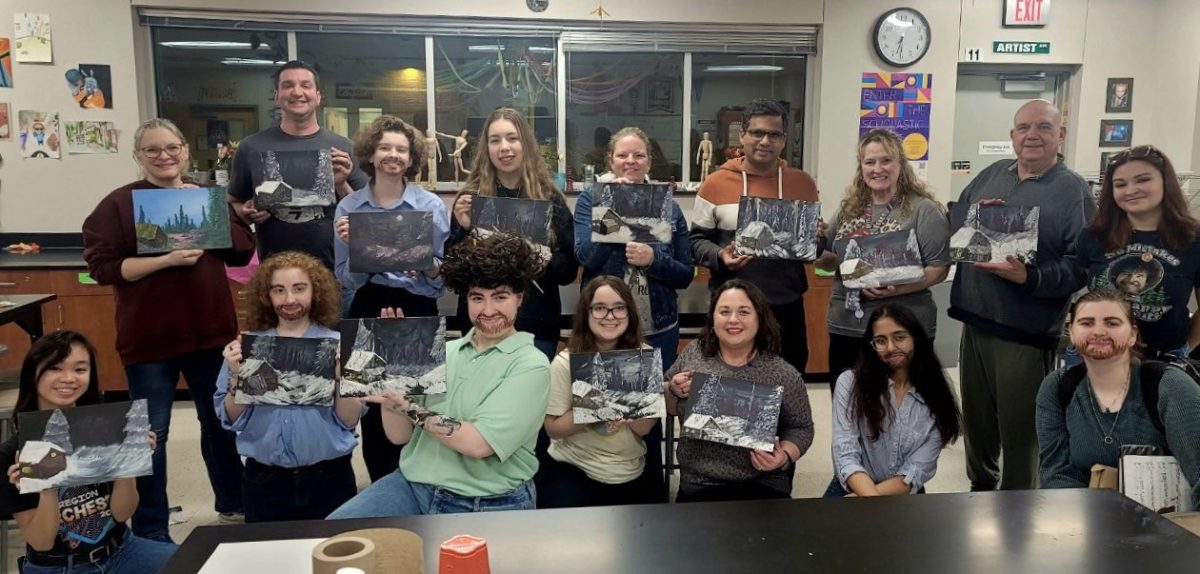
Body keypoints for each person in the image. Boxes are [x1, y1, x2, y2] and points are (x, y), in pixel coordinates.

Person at [83, 118, 253, 541]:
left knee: (219, 424)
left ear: (185, 151)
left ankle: (234, 503)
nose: (164, 156)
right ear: (138, 157)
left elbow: (242, 251)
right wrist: (164, 260)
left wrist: (218, 210)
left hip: (211, 333)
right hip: (150, 339)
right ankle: (152, 526)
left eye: (172, 148)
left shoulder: (203, 195)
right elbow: (102, 268)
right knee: (149, 435)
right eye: (153, 150)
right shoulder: (119, 205)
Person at [327, 232, 550, 518]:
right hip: (414, 485)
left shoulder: (531, 364)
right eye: (477, 298)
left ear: (519, 299)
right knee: (333, 533)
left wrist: (409, 408)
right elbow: (398, 436)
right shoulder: (444, 350)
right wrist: (392, 380)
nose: (488, 310)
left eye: (500, 297)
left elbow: (478, 444)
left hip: (488, 500)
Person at [949, 99, 1095, 491]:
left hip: (1024, 331)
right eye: (1023, 128)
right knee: (977, 426)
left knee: (1020, 434)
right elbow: (960, 229)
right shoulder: (990, 174)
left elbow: (1082, 265)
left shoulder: (1072, 191)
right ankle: (979, 492)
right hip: (975, 321)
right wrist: (973, 216)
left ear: (1060, 135)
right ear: (1012, 136)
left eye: (1044, 127)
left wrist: (1028, 277)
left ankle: (1016, 511)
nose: (1032, 135)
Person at [572, 127, 691, 501]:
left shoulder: (668, 206)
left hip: (657, 327)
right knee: (600, 408)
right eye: (623, 155)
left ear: (649, 161)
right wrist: (615, 224)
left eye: (638, 155)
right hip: (604, 327)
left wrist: (654, 258)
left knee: (646, 413)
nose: (630, 162)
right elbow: (584, 258)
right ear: (610, 160)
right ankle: (598, 484)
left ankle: (650, 494)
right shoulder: (590, 199)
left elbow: (685, 274)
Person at [0, 331, 176, 573]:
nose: (69, 378)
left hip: (122, 550)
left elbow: (121, 513)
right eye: (55, 368)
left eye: (80, 370)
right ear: (33, 373)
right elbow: (41, 542)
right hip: (59, 567)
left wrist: (128, 462)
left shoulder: (106, 426)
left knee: (203, 562)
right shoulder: (16, 452)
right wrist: (47, 488)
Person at [334, 116, 449, 483]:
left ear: (411, 156)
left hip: (417, 306)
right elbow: (345, 279)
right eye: (385, 147)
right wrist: (358, 247)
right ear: (371, 152)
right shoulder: (348, 208)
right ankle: (381, 489)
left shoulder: (430, 205)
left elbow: (441, 278)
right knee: (373, 406)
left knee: (417, 402)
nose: (393, 155)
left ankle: (422, 485)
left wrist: (422, 263)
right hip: (368, 303)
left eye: (401, 149)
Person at [213, 252, 364, 522]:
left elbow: (349, 419)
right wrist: (238, 376)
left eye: (299, 288)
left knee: (330, 558)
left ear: (315, 291)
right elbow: (231, 419)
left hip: (329, 477)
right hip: (265, 480)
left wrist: (341, 377)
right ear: (266, 295)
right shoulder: (246, 347)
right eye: (279, 290)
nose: (290, 299)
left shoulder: (339, 344)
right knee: (271, 560)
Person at [690, 99, 821, 375]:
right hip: (731, 307)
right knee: (728, 385)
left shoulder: (803, 184)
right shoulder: (715, 183)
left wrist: (816, 238)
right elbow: (694, 242)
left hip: (786, 306)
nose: (765, 141)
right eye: (757, 133)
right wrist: (719, 256)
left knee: (787, 381)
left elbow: (814, 249)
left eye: (774, 134)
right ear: (742, 136)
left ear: (784, 140)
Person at [1036, 290, 1200, 508]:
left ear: (1133, 335)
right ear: (1072, 333)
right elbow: (1057, 474)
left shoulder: (1169, 385)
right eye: (1086, 323)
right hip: (1091, 523)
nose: (1099, 331)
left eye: (1112, 323)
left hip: (1175, 523)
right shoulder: (1056, 388)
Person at [819, 128, 950, 389]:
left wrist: (896, 290)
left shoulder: (923, 210)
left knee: (902, 407)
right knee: (848, 408)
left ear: (900, 164)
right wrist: (812, 244)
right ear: (861, 168)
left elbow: (939, 269)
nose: (877, 168)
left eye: (886, 160)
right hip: (848, 326)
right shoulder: (849, 209)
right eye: (869, 162)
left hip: (903, 327)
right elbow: (829, 262)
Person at [665, 279, 814, 502]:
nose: (733, 320)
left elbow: (802, 428)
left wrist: (783, 457)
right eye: (724, 311)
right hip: (698, 482)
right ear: (713, 317)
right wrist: (673, 389)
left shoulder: (782, 372)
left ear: (760, 318)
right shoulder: (694, 353)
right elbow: (668, 406)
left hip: (761, 483)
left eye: (744, 312)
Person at [447, 107, 578, 360]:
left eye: (512, 138)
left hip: (536, 325)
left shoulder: (549, 198)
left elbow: (569, 270)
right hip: (481, 325)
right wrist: (462, 231)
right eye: (495, 140)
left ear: (526, 144)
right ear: (486, 148)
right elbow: (452, 272)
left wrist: (545, 259)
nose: (504, 147)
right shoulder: (472, 198)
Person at [227, 60, 369, 270]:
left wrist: (341, 184)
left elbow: (368, 214)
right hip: (275, 276)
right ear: (276, 96)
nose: (297, 92)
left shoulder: (344, 147)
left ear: (318, 96)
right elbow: (234, 203)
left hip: (335, 273)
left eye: (305, 85)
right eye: (287, 85)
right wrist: (245, 211)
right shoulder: (251, 147)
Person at [539, 276, 662, 508]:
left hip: (629, 469)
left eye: (618, 308)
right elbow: (553, 430)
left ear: (629, 312)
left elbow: (644, 428)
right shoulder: (565, 362)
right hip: (575, 468)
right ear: (587, 313)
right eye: (599, 309)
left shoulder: (644, 355)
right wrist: (596, 406)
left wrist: (626, 412)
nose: (610, 316)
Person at [1072, 145, 1200, 361]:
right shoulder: (1094, 235)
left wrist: (1184, 351)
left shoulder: (1193, 239)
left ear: (1165, 181)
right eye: (1120, 184)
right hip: (1097, 356)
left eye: (1142, 180)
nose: (1130, 190)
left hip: (1164, 358)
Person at [826, 305, 961, 497]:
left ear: (915, 338)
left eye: (900, 337)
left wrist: (867, 499)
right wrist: (868, 497)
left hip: (901, 492)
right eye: (881, 340)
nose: (890, 347)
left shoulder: (936, 396)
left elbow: (916, 470)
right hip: (852, 486)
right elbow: (845, 452)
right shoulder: (849, 382)